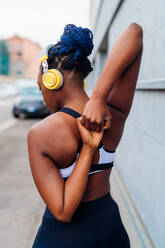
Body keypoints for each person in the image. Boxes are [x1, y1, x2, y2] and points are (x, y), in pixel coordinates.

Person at [28, 23, 143, 247]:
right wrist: (99, 97)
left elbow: (63, 211)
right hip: (110, 231)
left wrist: (89, 149)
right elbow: (135, 32)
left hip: (64, 239)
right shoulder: (113, 116)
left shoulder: (41, 133)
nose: (42, 94)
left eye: (39, 86)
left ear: (51, 79)